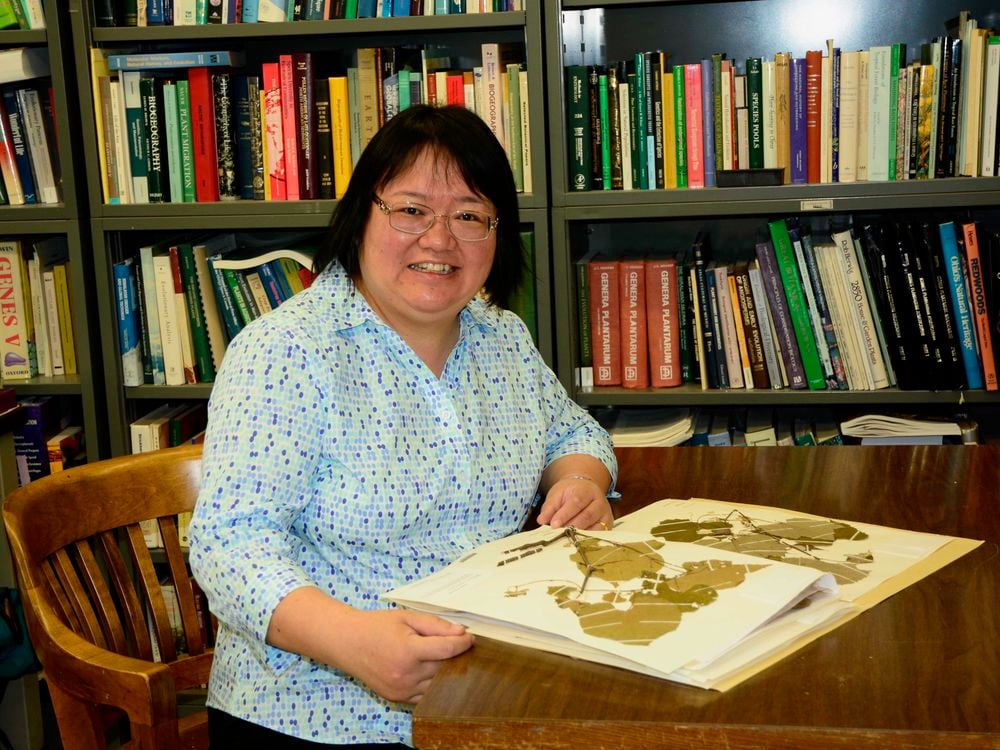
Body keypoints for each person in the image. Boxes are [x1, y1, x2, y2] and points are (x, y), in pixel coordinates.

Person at [189, 104, 617, 749]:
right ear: (362, 214)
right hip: (318, 713)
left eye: (470, 216)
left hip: (488, 689)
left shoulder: (501, 337)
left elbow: (571, 431)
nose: (440, 240)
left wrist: (582, 479)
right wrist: (355, 643)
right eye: (411, 210)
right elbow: (229, 544)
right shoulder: (288, 351)